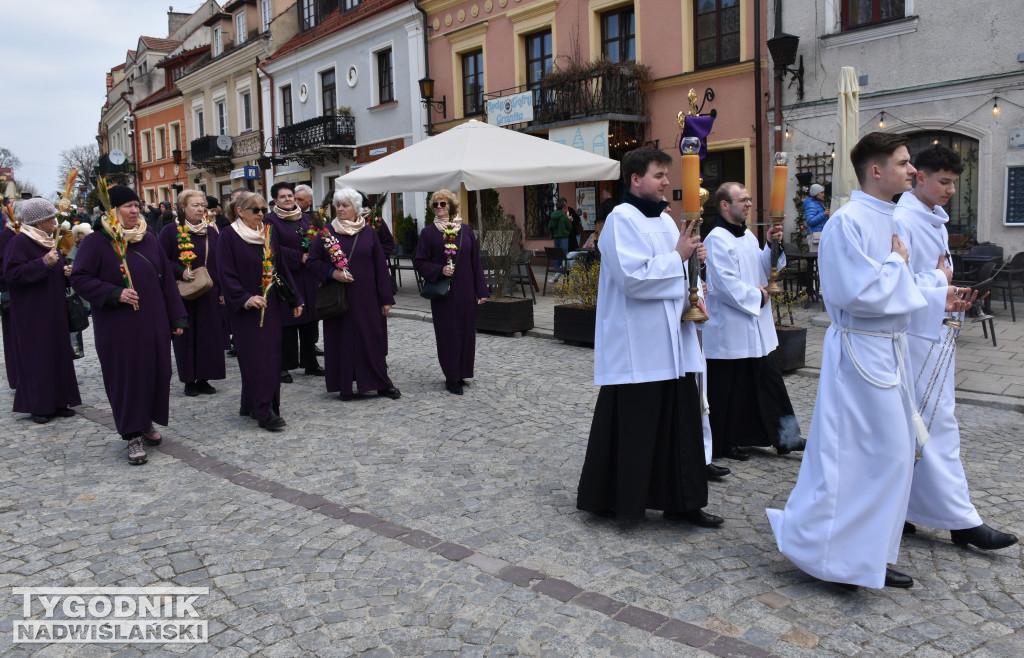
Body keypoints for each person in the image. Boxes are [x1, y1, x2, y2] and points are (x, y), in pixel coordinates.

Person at [766, 132, 968, 590]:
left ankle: (872, 553)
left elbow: (907, 285)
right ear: (876, 171)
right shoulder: (848, 222)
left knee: (894, 457)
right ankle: (833, 555)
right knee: (857, 457)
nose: (911, 171)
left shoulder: (893, 216)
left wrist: (939, 294)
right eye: (902, 163)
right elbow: (855, 293)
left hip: (889, 349)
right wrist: (898, 265)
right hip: (860, 352)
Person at [575, 146, 722, 528]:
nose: (667, 182)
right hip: (639, 345)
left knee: (681, 427)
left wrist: (696, 271)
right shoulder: (620, 220)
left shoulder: (668, 222)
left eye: (668, 175)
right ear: (635, 178)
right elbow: (633, 279)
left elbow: (682, 271)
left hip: (675, 341)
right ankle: (620, 500)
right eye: (659, 175)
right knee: (636, 430)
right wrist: (678, 257)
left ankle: (683, 502)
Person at [895, 145, 1017, 551]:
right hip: (913, 338)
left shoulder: (936, 221)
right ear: (920, 177)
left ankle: (904, 508)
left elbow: (934, 275)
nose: (950, 190)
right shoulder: (902, 218)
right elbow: (896, 284)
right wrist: (938, 281)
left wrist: (950, 289)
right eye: (943, 181)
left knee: (926, 424)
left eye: (953, 183)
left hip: (937, 332)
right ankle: (960, 521)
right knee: (932, 425)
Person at [70, 185, 188, 466]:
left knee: (155, 373)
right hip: (118, 325)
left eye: (137, 205)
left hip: (154, 321)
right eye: (127, 206)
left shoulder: (147, 238)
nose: (135, 210)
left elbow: (167, 282)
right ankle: (131, 433)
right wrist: (114, 293)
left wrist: (176, 317)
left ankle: (145, 421)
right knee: (126, 376)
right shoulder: (97, 242)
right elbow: (80, 278)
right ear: (113, 211)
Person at [703, 182, 803, 460]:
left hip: (757, 327)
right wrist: (757, 296)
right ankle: (726, 442)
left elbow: (763, 266)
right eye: (743, 200)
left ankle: (787, 438)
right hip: (731, 327)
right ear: (725, 205)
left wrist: (772, 244)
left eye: (749, 199)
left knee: (769, 382)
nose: (749, 204)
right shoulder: (716, 239)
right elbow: (723, 284)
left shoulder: (746, 235)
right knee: (730, 391)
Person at [217, 191, 303, 431]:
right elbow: (225, 273)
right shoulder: (228, 236)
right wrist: (245, 298)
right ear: (240, 211)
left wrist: (296, 298)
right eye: (255, 210)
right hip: (246, 309)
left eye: (263, 210)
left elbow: (282, 267)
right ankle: (265, 411)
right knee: (257, 360)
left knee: (271, 358)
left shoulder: (267, 233)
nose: (261, 214)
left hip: (271, 305)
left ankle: (252, 404)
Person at [309, 187, 399, 400]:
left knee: (372, 339)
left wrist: (386, 298)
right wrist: (333, 273)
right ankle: (344, 385)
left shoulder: (368, 232)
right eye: (338, 205)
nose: (340, 209)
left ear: (356, 208)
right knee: (342, 340)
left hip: (367, 297)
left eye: (345, 205)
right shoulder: (326, 232)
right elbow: (312, 262)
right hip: (339, 298)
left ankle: (380, 383)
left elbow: (379, 266)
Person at [3, 198, 81, 424]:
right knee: (38, 357)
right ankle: (39, 405)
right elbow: (13, 274)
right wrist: (43, 264)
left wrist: (64, 271)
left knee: (58, 353)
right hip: (32, 313)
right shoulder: (19, 243)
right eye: (50, 218)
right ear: (38, 221)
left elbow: (53, 266)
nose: (54, 221)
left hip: (54, 309)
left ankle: (59, 401)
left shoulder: (48, 240)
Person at [413, 189, 489, 395]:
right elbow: (419, 262)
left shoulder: (466, 230)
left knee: (465, 332)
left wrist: (481, 290)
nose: (439, 208)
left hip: (466, 289)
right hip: (444, 293)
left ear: (452, 206)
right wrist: (439, 270)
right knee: (448, 333)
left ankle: (463, 372)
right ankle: (451, 376)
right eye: (435, 205)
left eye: (443, 204)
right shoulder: (428, 233)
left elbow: (475, 262)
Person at [159, 190, 227, 397]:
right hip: (183, 292)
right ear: (182, 208)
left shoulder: (211, 231)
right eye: (194, 205)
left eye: (201, 205)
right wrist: (180, 270)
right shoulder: (170, 231)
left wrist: (222, 290)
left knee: (209, 335)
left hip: (209, 290)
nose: (200, 209)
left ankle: (205, 377)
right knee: (186, 336)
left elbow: (220, 262)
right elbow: (161, 261)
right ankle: (189, 379)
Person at [265, 182, 323, 382]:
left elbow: (318, 239)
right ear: (275, 200)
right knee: (288, 322)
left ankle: (310, 362)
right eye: (283, 196)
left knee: (310, 320)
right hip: (287, 276)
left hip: (309, 277)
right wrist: (299, 257)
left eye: (290, 195)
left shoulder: (306, 218)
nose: (288, 199)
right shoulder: (270, 221)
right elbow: (272, 248)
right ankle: (284, 366)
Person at [67, 223, 93, 359]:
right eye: (79, 237)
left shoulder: (90, 247)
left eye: (83, 236)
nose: (81, 239)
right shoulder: (75, 248)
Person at [803, 183, 829, 252]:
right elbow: (810, 221)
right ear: (816, 194)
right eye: (822, 193)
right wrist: (823, 214)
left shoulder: (817, 203)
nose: (824, 194)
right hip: (815, 236)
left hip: (819, 235)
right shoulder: (811, 204)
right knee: (816, 259)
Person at [548, 198, 572, 269]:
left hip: (556, 237)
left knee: (557, 253)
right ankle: (564, 268)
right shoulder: (564, 216)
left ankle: (557, 268)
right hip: (564, 237)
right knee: (564, 253)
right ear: (563, 207)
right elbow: (570, 226)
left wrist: (555, 232)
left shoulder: (553, 216)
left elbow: (550, 226)